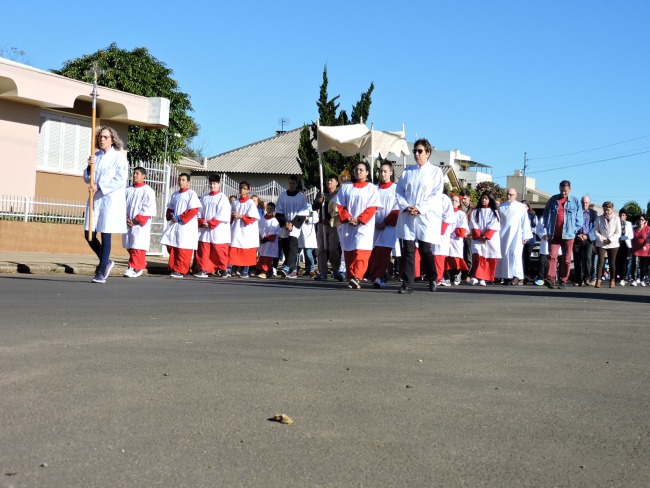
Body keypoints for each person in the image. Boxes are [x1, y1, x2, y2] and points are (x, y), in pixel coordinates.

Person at [395, 138, 444, 294]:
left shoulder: (435, 172)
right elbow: (399, 191)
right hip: (408, 215)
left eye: (420, 151)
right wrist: (405, 206)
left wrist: (420, 208)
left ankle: (432, 277)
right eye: (415, 151)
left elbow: (436, 195)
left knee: (425, 249)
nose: (416, 153)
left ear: (428, 153)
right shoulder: (407, 172)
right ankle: (408, 284)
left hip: (425, 216)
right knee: (408, 250)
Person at [83, 126, 128, 283]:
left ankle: (102, 269)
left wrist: (100, 186)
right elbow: (87, 178)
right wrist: (89, 166)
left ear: (112, 140)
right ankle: (107, 261)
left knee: (105, 233)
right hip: (95, 200)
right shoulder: (95, 156)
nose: (102, 139)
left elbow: (120, 180)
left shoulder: (119, 158)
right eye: (100, 137)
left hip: (109, 200)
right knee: (89, 234)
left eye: (105, 137)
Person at [336, 161, 381, 289]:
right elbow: (339, 205)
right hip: (348, 225)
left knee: (361, 251)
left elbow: (372, 207)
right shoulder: (346, 187)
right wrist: (347, 217)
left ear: (367, 172)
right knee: (350, 251)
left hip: (363, 226)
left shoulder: (371, 188)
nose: (358, 172)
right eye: (357, 169)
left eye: (361, 170)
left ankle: (357, 276)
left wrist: (360, 219)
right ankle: (351, 277)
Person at [541, 180, 583, 290]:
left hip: (568, 235)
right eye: (561, 190)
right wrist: (546, 227)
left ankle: (563, 280)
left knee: (566, 259)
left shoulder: (575, 201)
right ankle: (550, 279)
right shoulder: (553, 200)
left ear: (569, 189)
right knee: (551, 256)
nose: (563, 193)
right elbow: (545, 215)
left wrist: (573, 230)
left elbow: (580, 220)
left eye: (565, 191)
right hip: (554, 234)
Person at [160, 173, 202, 278]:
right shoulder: (175, 194)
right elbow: (170, 208)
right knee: (172, 245)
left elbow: (193, 209)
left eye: (183, 180)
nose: (181, 181)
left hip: (186, 225)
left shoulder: (191, 194)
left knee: (183, 248)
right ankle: (174, 267)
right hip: (175, 224)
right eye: (179, 179)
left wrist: (180, 218)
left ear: (188, 182)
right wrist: (171, 215)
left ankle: (181, 270)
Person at [369, 161, 399, 289]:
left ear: (391, 173)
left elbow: (397, 208)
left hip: (388, 227)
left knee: (383, 253)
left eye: (385, 171)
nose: (382, 174)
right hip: (373, 225)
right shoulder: (374, 188)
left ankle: (379, 277)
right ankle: (376, 276)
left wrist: (385, 222)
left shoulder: (395, 189)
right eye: (381, 171)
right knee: (374, 253)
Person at [122, 166, 157, 278]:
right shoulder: (128, 190)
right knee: (129, 245)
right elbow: (122, 205)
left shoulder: (148, 190)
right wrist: (126, 217)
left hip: (140, 224)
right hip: (128, 222)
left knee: (138, 245)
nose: (135, 175)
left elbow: (148, 207)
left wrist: (136, 220)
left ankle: (132, 267)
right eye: (134, 173)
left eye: (137, 173)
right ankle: (140, 265)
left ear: (143, 176)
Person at [194, 174, 231, 278]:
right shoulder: (204, 198)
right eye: (211, 183)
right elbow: (199, 212)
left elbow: (222, 213)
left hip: (218, 229)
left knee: (219, 250)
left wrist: (210, 223)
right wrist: (201, 221)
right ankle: (203, 269)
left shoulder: (222, 198)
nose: (212, 186)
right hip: (205, 229)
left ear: (219, 184)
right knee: (204, 249)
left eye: (214, 183)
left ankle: (223, 268)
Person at [275, 175, 309, 279]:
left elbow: (303, 212)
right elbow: (278, 211)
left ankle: (288, 267)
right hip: (285, 225)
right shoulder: (282, 195)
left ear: (296, 184)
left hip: (295, 225)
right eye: (289, 183)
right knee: (285, 246)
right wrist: (285, 223)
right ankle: (290, 268)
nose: (291, 185)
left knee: (292, 245)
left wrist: (292, 223)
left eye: (293, 183)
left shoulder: (300, 196)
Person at [496, 189, 533, 285]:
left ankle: (516, 276)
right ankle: (506, 276)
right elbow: (498, 222)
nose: (509, 196)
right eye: (508, 194)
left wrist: (526, 236)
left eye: (511, 195)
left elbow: (525, 222)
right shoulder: (501, 207)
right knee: (505, 255)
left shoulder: (521, 207)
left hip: (517, 235)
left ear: (516, 195)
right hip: (504, 235)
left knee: (515, 255)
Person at [313, 175, 343, 281]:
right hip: (322, 225)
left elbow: (339, 209)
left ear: (336, 183)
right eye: (328, 180)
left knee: (333, 248)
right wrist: (318, 201)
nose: (329, 182)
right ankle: (323, 272)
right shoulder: (321, 193)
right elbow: (313, 207)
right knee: (321, 249)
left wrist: (329, 218)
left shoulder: (338, 194)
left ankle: (335, 270)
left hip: (333, 224)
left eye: (331, 180)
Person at [468, 191, 501, 286]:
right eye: (483, 198)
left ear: (490, 200)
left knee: (486, 258)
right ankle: (475, 276)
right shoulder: (475, 211)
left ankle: (482, 278)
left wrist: (485, 236)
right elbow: (473, 223)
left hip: (488, 240)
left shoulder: (494, 212)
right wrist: (478, 235)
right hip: (478, 239)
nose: (484, 200)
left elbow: (494, 224)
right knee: (477, 256)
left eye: (486, 198)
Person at [229, 181, 260, 278]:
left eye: (244, 188)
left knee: (246, 249)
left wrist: (241, 216)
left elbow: (253, 218)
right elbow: (229, 215)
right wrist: (232, 216)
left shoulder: (250, 203)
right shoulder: (235, 202)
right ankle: (232, 268)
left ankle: (245, 270)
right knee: (234, 249)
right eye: (241, 188)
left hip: (246, 230)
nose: (242, 190)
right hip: (236, 229)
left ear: (248, 190)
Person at [432, 191, 457, 287]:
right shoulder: (432, 196)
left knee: (439, 255)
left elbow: (447, 216)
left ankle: (437, 278)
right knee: (433, 255)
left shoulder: (444, 198)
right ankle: (435, 277)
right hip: (433, 230)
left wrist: (441, 230)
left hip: (441, 232)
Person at [594, 201, 621, 288]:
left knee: (612, 262)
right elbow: (595, 231)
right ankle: (598, 280)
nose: (606, 212)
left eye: (608, 210)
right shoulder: (599, 219)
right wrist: (603, 239)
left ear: (612, 210)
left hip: (613, 243)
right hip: (601, 243)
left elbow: (618, 232)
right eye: (604, 210)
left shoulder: (616, 219)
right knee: (600, 261)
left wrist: (610, 239)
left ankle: (612, 280)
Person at [572, 196, 597, 286]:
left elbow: (595, 227)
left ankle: (587, 278)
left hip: (588, 239)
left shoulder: (593, 213)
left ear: (589, 203)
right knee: (577, 260)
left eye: (586, 203)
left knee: (587, 259)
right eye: (583, 202)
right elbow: (572, 224)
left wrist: (587, 236)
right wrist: (577, 235)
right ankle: (578, 279)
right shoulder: (575, 212)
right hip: (577, 238)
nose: (584, 204)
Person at [446, 194, 470, 285]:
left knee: (456, 257)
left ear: (459, 203)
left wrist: (454, 233)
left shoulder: (461, 214)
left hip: (456, 239)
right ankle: (447, 276)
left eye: (456, 201)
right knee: (446, 257)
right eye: (452, 200)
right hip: (446, 238)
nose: (453, 202)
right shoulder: (445, 212)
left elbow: (463, 226)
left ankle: (457, 273)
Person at [257, 202, 280, 279]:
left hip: (269, 243)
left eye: (271, 209)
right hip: (262, 240)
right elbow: (259, 228)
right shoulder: (262, 219)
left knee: (268, 257)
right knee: (262, 256)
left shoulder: (274, 221)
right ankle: (269, 271)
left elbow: (273, 233)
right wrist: (259, 237)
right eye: (268, 208)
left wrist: (264, 239)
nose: (269, 210)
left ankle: (265, 271)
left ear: (274, 210)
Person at [459, 189, 475, 282]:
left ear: (469, 198)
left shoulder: (474, 208)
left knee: (469, 256)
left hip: (470, 236)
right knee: (460, 255)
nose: (463, 201)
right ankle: (460, 274)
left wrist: (471, 233)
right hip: (460, 235)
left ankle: (468, 274)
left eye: (465, 198)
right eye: (462, 198)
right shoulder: (459, 208)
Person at [615, 208, 634, 285]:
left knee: (623, 262)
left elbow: (631, 235)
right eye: (620, 214)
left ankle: (622, 278)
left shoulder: (628, 224)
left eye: (623, 215)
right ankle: (615, 277)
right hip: (616, 244)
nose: (621, 216)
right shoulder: (616, 222)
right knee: (616, 261)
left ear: (626, 216)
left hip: (625, 244)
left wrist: (623, 237)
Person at [298, 207, 319, 277]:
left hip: (309, 236)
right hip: (299, 234)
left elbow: (316, 219)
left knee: (308, 253)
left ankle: (311, 269)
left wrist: (308, 219)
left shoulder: (311, 209)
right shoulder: (298, 208)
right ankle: (295, 269)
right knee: (296, 253)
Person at [521, 200, 538, 283]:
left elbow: (536, 227)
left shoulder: (532, 215)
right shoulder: (518, 215)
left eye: (525, 206)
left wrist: (527, 232)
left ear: (528, 207)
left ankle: (526, 275)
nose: (524, 208)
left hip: (530, 240)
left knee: (527, 257)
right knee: (520, 257)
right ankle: (520, 275)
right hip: (520, 240)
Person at [630, 214, 649, 286]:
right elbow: (631, 238)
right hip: (635, 249)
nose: (640, 221)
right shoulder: (634, 229)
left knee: (643, 266)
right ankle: (634, 280)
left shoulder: (648, 228)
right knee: (634, 264)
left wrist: (646, 246)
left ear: (645, 221)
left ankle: (641, 279)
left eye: (642, 220)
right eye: (639, 219)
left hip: (644, 250)